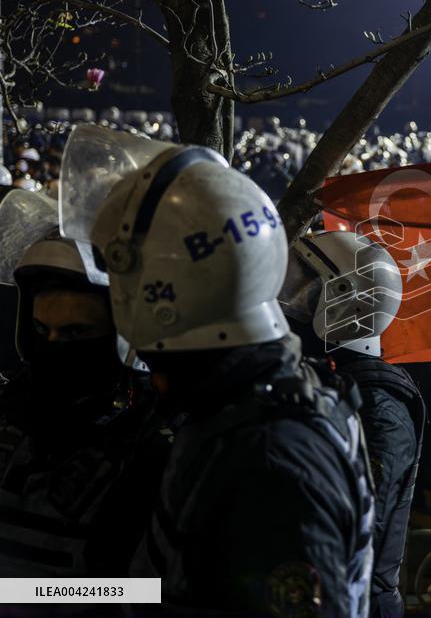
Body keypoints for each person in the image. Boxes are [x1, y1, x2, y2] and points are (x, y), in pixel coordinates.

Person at [64, 125, 373, 616]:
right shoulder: (241, 402)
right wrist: (32, 592)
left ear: (162, 290)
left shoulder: (267, 462)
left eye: (119, 268)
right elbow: (166, 586)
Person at [0, 229, 169, 576]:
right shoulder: (10, 406)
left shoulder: (157, 444)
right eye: (41, 329)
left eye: (77, 333)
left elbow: (152, 596)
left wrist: (28, 595)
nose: (54, 348)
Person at [280, 230, 425, 618]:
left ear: (343, 303)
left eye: (303, 292)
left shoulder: (379, 408)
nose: (288, 303)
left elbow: (350, 533)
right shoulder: (324, 378)